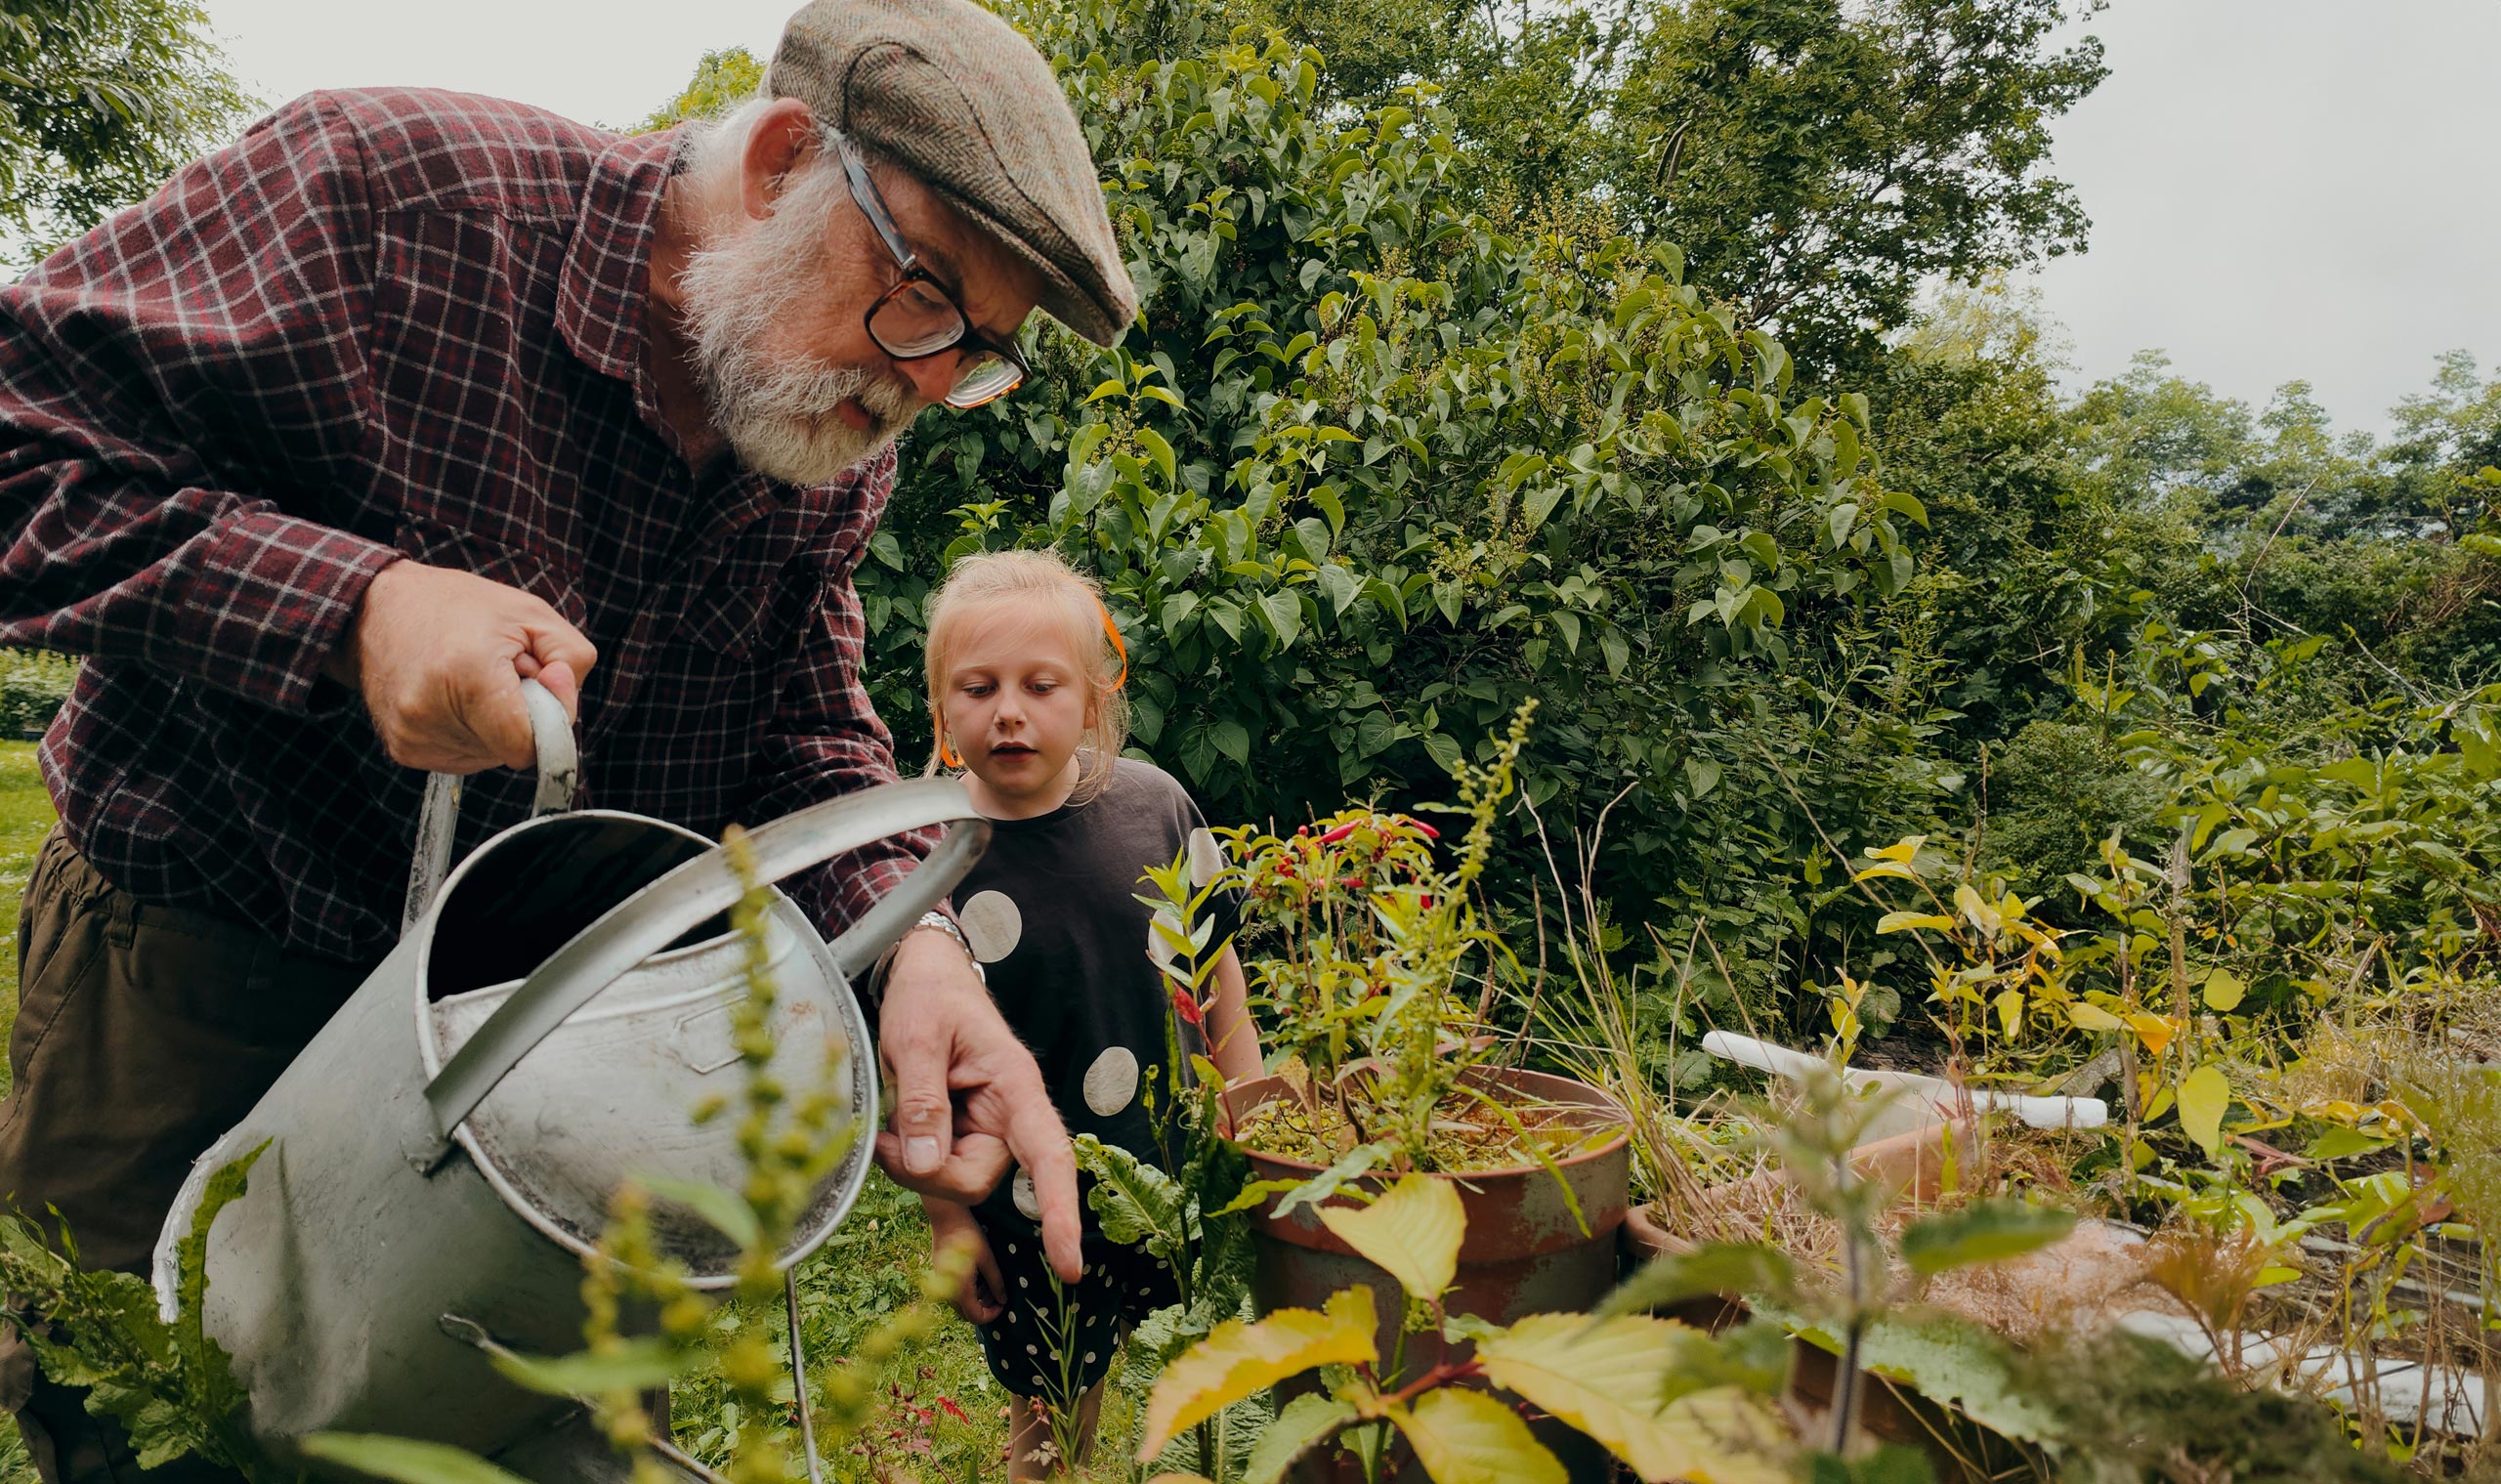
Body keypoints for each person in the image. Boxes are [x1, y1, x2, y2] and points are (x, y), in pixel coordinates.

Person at [0, 0, 1125, 1476]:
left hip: (550, 1037)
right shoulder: (391, 197)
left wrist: (910, 941)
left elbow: (797, 724)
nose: (925, 383)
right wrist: (355, 608)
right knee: (168, 1433)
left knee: (542, 1444)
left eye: (975, 353)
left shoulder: (821, 430)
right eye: (924, 300)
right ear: (787, 164)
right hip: (204, 971)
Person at [908, 550, 1262, 1478]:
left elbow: (1216, 963)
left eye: (1041, 684)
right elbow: (920, 1065)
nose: (1010, 710)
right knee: (1058, 1395)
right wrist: (949, 1216)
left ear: (1095, 703)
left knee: (1206, 1361)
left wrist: (1253, 1092)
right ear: (943, 711)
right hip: (1025, 1196)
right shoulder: (929, 852)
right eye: (978, 688)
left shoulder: (1153, 808)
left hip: (1170, 1160)